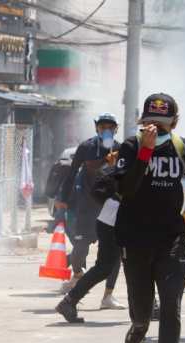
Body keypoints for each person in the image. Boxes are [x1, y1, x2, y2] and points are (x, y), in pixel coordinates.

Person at [114, 93, 185, 343]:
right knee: (142, 310)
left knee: (171, 308)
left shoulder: (184, 148)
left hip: (172, 241)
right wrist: (145, 152)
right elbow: (126, 188)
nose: (155, 128)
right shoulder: (130, 147)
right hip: (136, 240)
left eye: (162, 124)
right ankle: (139, 325)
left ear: (175, 123)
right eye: (150, 123)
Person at [54, 113, 125, 322]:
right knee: (81, 247)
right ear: (96, 128)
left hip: (111, 208)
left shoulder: (121, 148)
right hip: (87, 206)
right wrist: (63, 197)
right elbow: (72, 172)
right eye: (103, 126)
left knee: (115, 256)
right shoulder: (86, 147)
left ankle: (108, 295)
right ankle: (77, 277)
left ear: (116, 129)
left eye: (110, 127)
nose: (107, 130)